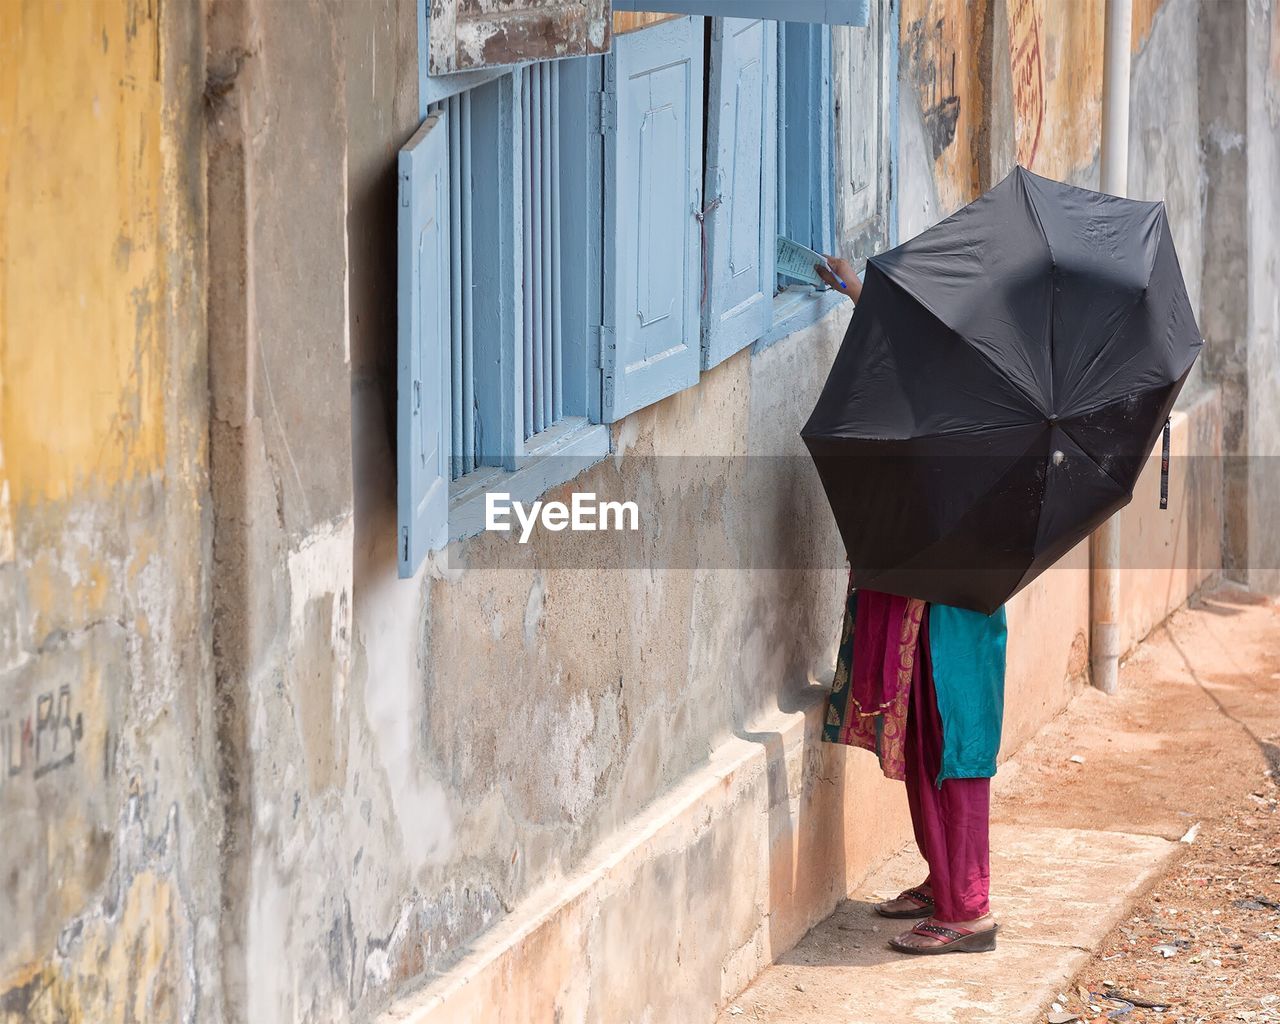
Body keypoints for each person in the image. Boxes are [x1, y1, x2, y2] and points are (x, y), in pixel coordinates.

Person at [815, 255, 1008, 957]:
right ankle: (944, 883)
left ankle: (970, 909)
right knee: (924, 735)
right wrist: (862, 293)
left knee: (953, 741)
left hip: (954, 599)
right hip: (929, 580)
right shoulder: (961, 386)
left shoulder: (990, 414)